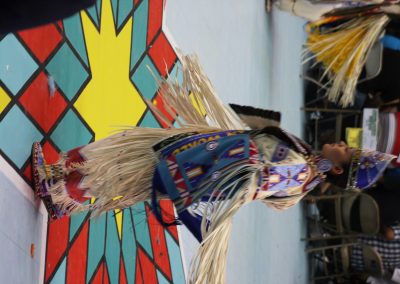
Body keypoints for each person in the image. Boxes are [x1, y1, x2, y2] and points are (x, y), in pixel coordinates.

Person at [31, 54, 395, 284]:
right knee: (124, 158)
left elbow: (247, 175)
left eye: (346, 152)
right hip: (199, 158)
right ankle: (65, 194)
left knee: (122, 160)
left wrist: (205, 163)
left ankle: (59, 190)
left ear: (337, 170)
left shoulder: (298, 171)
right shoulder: (303, 167)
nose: (342, 144)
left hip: (195, 165)